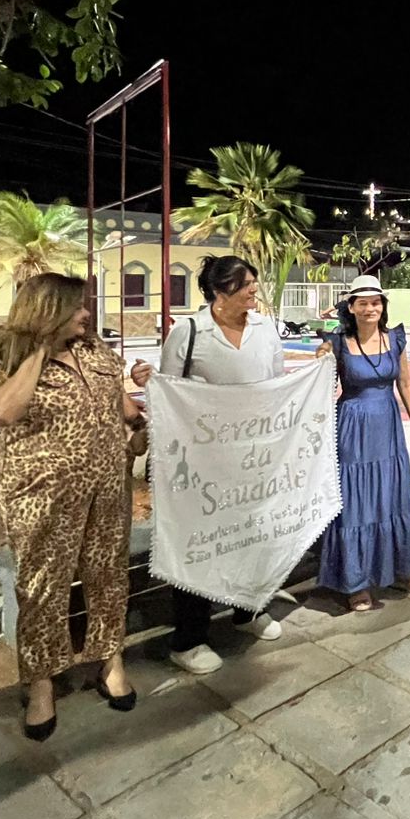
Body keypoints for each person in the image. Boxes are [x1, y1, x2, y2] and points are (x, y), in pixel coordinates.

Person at [0, 273, 142, 739]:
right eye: (77, 307)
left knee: (109, 574)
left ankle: (111, 661)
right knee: (43, 586)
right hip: (40, 493)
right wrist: (39, 352)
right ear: (49, 312)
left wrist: (139, 418)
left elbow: (121, 404)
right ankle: (42, 683)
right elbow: (3, 412)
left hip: (107, 484)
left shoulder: (96, 351)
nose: (86, 314)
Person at [131, 255, 285, 674]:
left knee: (251, 536)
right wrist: (150, 382)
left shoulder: (265, 329)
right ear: (219, 291)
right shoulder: (189, 332)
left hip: (252, 459)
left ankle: (249, 610)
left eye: (253, 282)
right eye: (245, 284)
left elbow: (276, 387)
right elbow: (171, 396)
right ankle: (189, 638)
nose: (253, 290)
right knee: (201, 544)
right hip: (203, 464)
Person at [319, 276, 410, 611]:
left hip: (388, 426)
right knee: (357, 501)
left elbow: (405, 384)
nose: (370, 309)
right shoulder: (339, 343)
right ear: (351, 307)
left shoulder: (395, 338)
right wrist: (321, 358)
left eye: (376, 302)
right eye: (363, 303)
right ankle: (356, 581)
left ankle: (401, 569)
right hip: (353, 427)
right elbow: (322, 386)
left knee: (391, 497)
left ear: (383, 306)